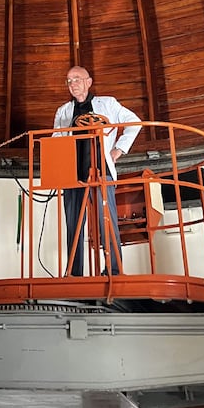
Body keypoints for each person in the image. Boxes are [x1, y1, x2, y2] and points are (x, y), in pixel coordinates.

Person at [53, 66, 141, 276]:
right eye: (69, 81)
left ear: (89, 81)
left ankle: (114, 270)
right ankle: (74, 273)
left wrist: (118, 149)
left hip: (101, 171)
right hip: (72, 174)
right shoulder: (63, 111)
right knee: (73, 225)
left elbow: (135, 122)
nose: (72, 84)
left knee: (106, 221)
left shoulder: (108, 103)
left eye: (76, 79)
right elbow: (56, 141)